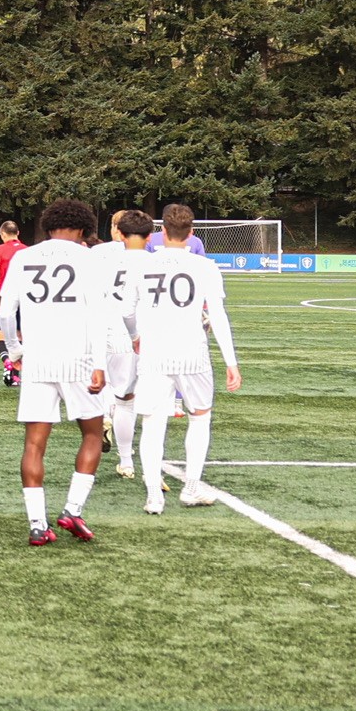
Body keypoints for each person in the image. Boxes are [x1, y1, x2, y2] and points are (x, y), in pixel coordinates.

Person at [0, 200, 118, 547]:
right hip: (78, 358)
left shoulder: (23, 257)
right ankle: (72, 510)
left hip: (37, 359)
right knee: (93, 434)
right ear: (83, 228)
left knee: (34, 444)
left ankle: (37, 525)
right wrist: (99, 363)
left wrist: (14, 351)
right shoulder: (89, 259)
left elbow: (6, 312)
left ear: (48, 226)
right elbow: (98, 315)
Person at [135, 203, 240, 513]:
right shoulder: (205, 267)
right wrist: (231, 361)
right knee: (200, 418)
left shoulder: (143, 265)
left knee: (153, 424)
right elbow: (217, 316)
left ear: (162, 232)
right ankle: (191, 487)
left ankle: (154, 495)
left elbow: (128, 310)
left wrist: (135, 337)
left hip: (154, 353)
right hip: (192, 354)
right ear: (191, 234)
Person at [87, 210, 156, 477]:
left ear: (117, 230)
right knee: (127, 400)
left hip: (104, 329)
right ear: (149, 236)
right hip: (137, 335)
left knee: (100, 382)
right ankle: (126, 461)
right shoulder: (154, 261)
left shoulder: (98, 254)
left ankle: (104, 413)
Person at [0, 219, 25, 386]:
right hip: (24, 298)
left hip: (6, 297)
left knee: (1, 334)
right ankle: (16, 375)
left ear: (2, 234)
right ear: (18, 233)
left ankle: (8, 364)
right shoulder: (27, 250)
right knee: (20, 336)